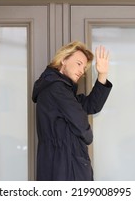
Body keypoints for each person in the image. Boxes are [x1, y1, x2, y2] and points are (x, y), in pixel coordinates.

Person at [32, 41, 112, 181]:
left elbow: (92, 105)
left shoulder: (58, 90)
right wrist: (87, 136)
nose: (82, 71)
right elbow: (81, 123)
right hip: (66, 165)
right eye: (79, 64)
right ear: (63, 60)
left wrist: (102, 75)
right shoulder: (57, 88)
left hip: (57, 163)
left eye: (84, 68)